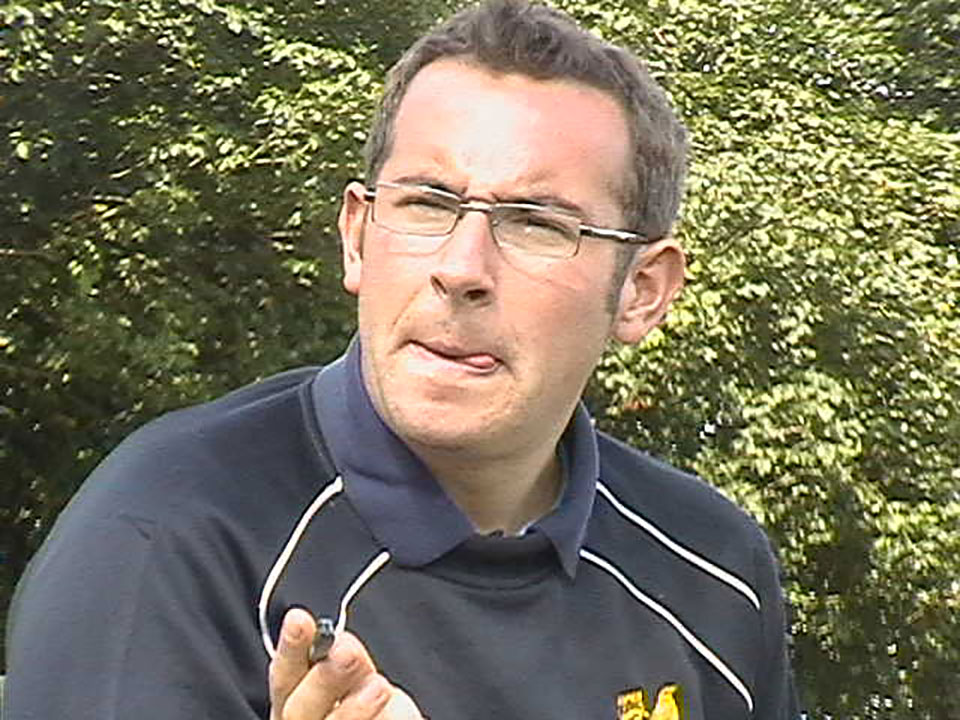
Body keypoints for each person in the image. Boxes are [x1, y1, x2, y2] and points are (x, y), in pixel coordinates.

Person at [5, 1, 799, 718]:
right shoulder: (165, 536)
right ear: (357, 236)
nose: (461, 268)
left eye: (535, 224)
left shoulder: (712, 571)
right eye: (426, 203)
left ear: (642, 292)